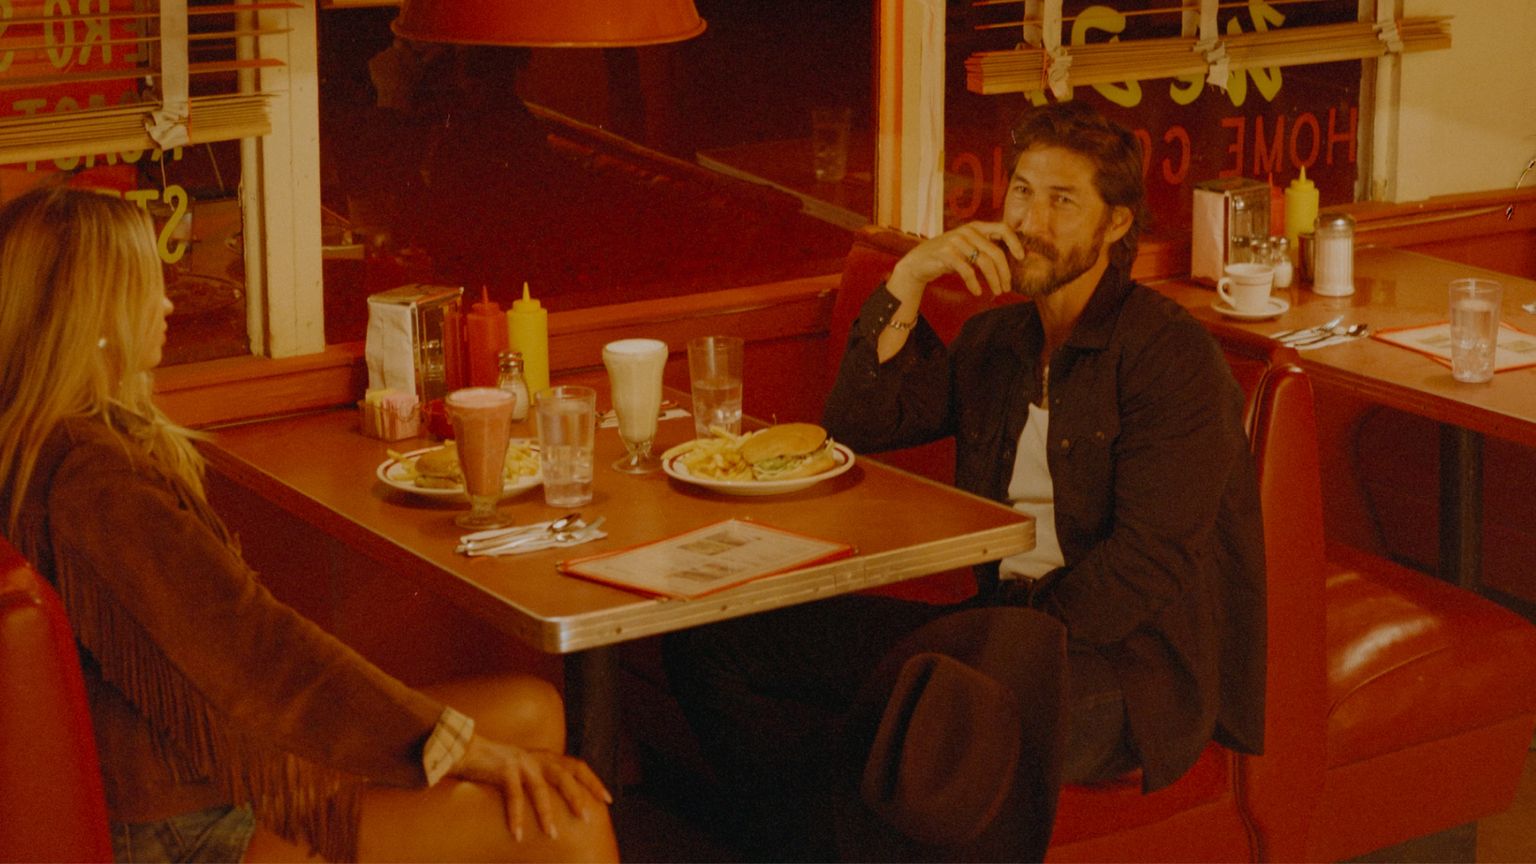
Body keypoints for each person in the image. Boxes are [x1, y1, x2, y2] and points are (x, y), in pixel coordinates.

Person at [663, 101, 1266, 860]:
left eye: (1062, 200)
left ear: (1115, 224)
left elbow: (1145, 565)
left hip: (1121, 666)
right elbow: (858, 423)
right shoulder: (997, 340)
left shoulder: (1170, 357)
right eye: (1022, 192)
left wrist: (998, 641)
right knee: (714, 641)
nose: (1030, 220)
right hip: (991, 627)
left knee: (937, 716)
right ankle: (792, 840)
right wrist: (910, 275)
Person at [0, 186, 618, 863]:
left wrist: (455, 745)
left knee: (533, 711)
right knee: (572, 821)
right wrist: (459, 748)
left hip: (201, 769)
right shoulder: (97, 481)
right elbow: (258, 653)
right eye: (148, 288)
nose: (167, 305)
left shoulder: (58, 443)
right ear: (97, 315)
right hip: (182, 827)